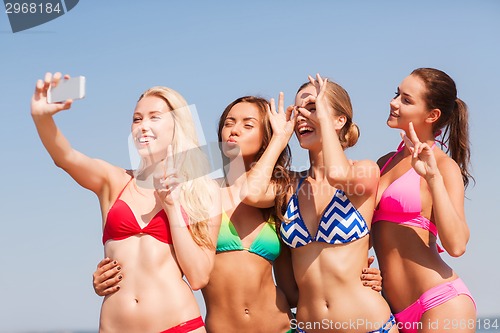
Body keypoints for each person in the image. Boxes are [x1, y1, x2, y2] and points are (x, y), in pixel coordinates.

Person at [93, 95, 384, 333]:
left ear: (266, 134)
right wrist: (110, 279)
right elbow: (156, 252)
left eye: (248, 124)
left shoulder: (279, 196)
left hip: (282, 326)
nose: (234, 129)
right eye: (229, 122)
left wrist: (357, 274)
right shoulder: (197, 193)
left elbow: (294, 286)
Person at [31, 72, 221, 333]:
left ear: (177, 125)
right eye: (136, 119)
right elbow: (65, 157)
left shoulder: (204, 192)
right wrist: (42, 118)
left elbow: (199, 276)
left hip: (179, 325)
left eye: (155, 117)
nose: (143, 125)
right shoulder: (114, 180)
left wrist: (173, 207)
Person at [240, 74, 398, 333]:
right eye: (299, 110)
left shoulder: (365, 171)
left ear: (339, 120)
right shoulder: (290, 185)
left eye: (313, 107)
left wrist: (323, 119)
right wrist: (280, 138)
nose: (303, 115)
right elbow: (250, 193)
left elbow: (337, 175)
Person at [371, 68, 476, 333]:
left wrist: (433, 179)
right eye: (397, 94)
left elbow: (456, 245)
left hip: (441, 304)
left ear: (432, 115)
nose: (394, 103)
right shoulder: (383, 164)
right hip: (391, 313)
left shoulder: (443, 166)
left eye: (406, 99)